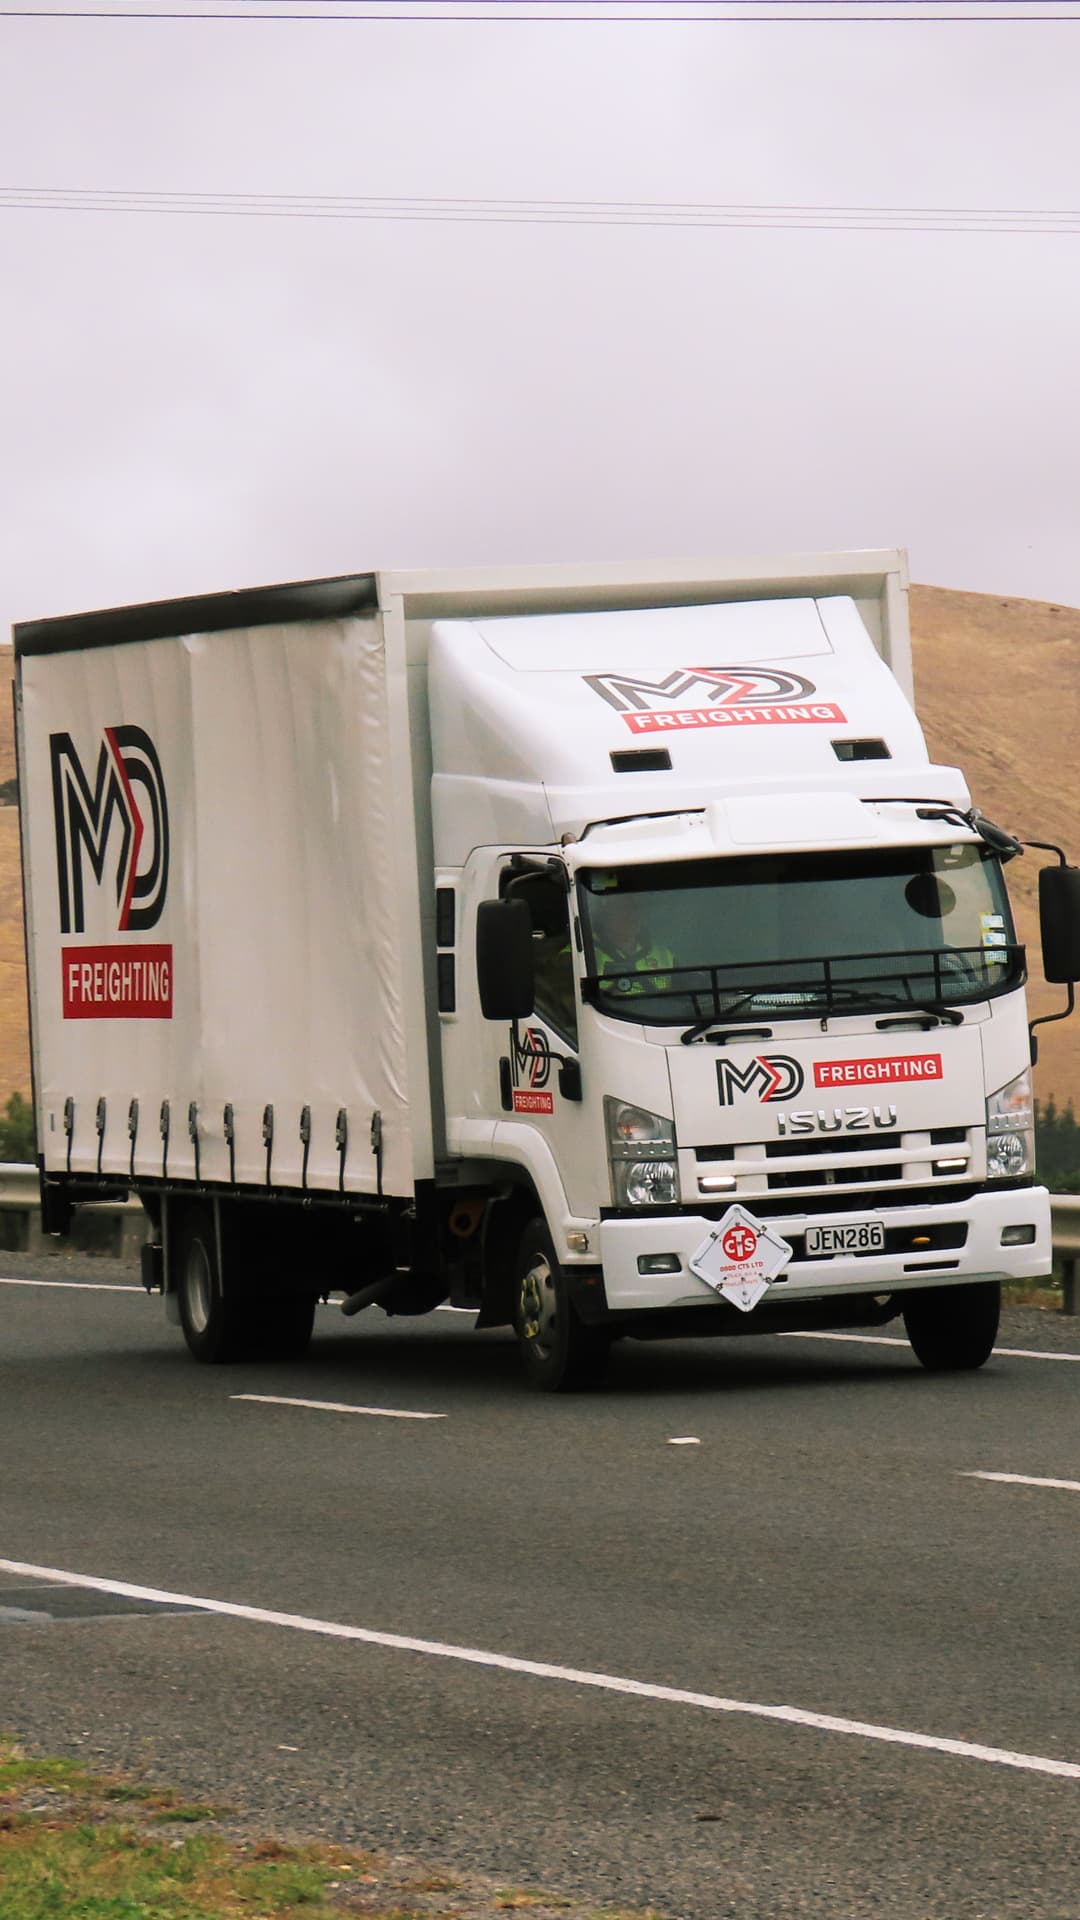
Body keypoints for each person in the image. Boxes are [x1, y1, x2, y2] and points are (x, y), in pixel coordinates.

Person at [593, 892, 675, 997]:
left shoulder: (663, 953)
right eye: (623, 908)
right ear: (605, 912)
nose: (632, 914)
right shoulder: (580, 953)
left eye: (637, 907)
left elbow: (682, 993)